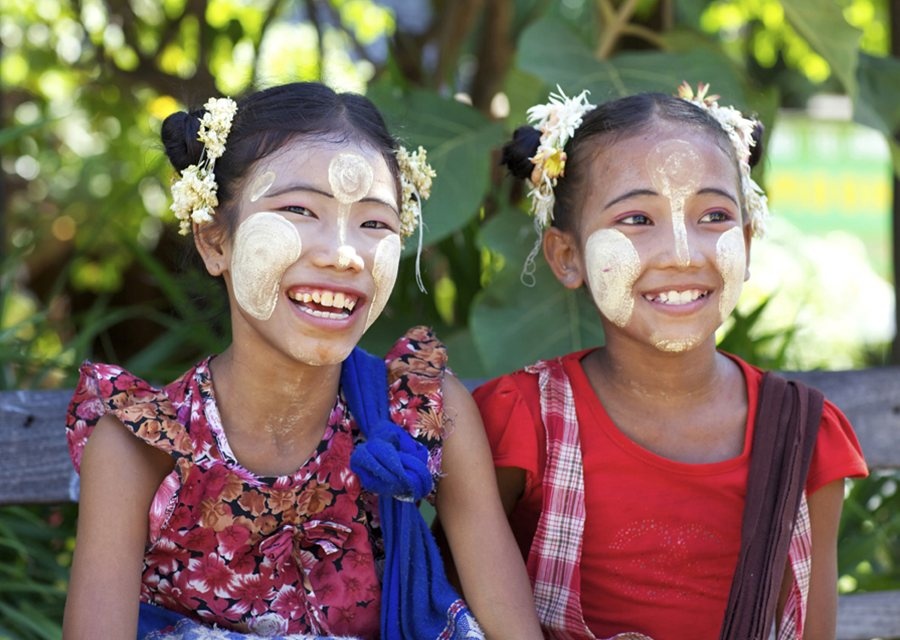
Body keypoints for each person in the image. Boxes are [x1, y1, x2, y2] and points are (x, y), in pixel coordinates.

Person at [63, 82, 542, 640]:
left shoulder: (423, 412)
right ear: (215, 242)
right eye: (298, 209)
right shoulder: (140, 446)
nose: (343, 255)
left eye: (374, 223)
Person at [474, 83, 868, 640]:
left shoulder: (804, 438)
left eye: (713, 215)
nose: (683, 253)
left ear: (748, 245)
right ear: (567, 256)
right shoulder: (521, 422)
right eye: (637, 219)